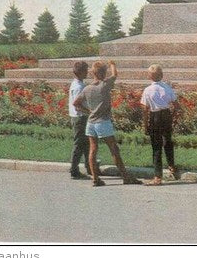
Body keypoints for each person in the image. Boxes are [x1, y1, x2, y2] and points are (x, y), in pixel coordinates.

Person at [73, 59, 141, 187]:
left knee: (93, 150)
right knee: (114, 149)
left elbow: (76, 103)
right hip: (103, 122)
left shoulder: (87, 88)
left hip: (91, 123)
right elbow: (115, 75)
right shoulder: (104, 85)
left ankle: (95, 178)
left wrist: (88, 111)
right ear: (103, 73)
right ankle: (125, 176)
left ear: (93, 73)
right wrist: (113, 64)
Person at [141, 64, 179, 186]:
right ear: (162, 75)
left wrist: (145, 125)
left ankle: (157, 176)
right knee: (168, 141)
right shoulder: (167, 88)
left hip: (155, 116)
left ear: (149, 77)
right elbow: (176, 105)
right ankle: (172, 166)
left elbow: (145, 109)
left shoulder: (147, 90)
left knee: (156, 146)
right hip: (166, 114)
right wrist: (173, 116)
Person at [68, 60, 91, 180]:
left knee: (86, 143)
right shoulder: (79, 86)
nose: (88, 72)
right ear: (81, 72)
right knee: (79, 143)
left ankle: (89, 166)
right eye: (86, 70)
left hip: (78, 116)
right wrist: (90, 112)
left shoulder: (76, 83)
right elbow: (77, 104)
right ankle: (74, 169)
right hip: (79, 117)